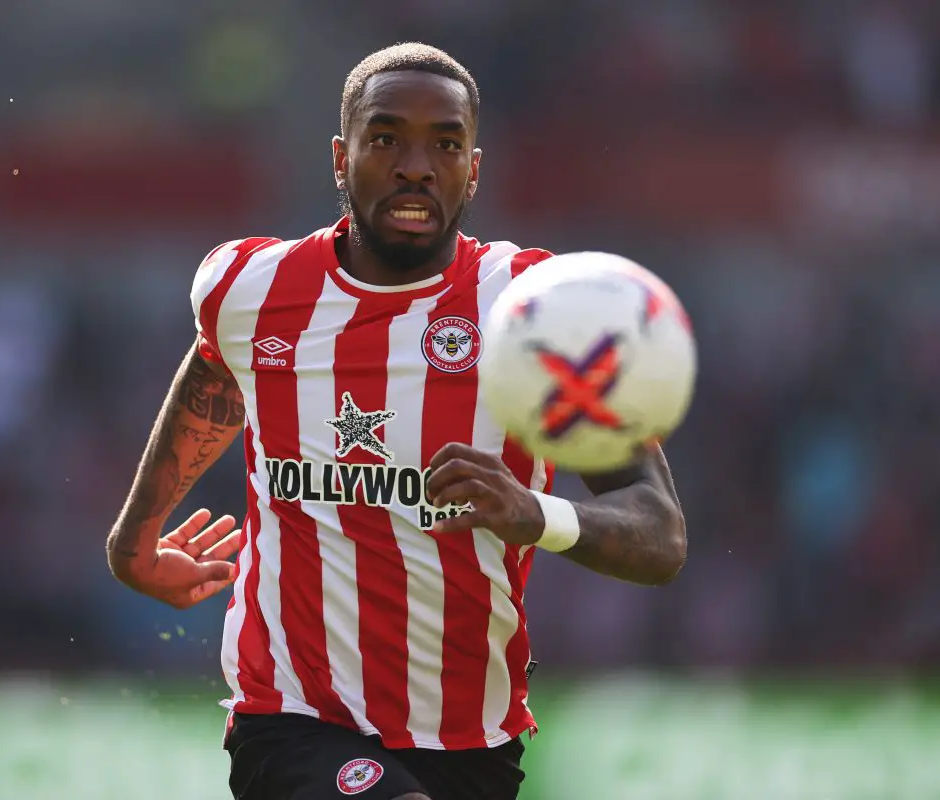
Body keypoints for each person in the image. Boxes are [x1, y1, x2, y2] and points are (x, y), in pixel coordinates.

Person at [106, 42, 687, 800]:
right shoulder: (251, 287)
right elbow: (217, 370)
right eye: (387, 139)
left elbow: (660, 534)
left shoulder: (539, 315)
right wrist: (136, 539)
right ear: (341, 159)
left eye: (445, 143)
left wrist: (534, 513)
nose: (416, 165)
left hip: (472, 736)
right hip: (291, 718)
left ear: (472, 170)